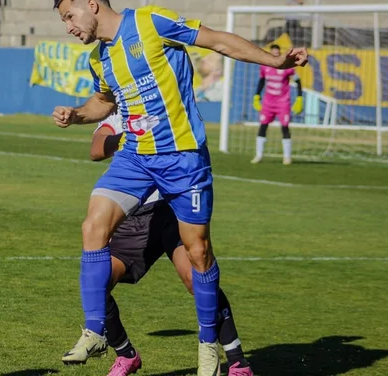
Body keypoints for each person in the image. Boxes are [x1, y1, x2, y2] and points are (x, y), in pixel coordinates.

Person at [51, 0, 308, 376]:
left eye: (69, 16)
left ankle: (210, 344)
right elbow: (103, 101)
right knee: (92, 224)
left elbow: (218, 40)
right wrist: (77, 114)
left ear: (92, 6)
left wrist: (275, 61)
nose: (68, 26)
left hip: (182, 157)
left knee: (199, 252)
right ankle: (96, 330)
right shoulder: (100, 58)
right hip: (136, 158)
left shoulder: (151, 23)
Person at [62, 111, 254, 376]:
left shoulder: (166, 101)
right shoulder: (119, 112)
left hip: (172, 211)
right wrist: (130, 138)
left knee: (195, 278)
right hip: (134, 217)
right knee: (100, 283)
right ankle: (126, 355)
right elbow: (96, 149)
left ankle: (237, 361)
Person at [251, 44, 303, 165]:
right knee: (263, 126)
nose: (275, 55)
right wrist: (256, 96)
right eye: (272, 53)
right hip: (268, 102)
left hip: (282, 102)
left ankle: (287, 157)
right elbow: (262, 80)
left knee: (284, 127)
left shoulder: (286, 67)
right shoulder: (265, 67)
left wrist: (299, 98)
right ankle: (259, 155)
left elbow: (298, 81)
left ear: (279, 54)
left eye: (277, 54)